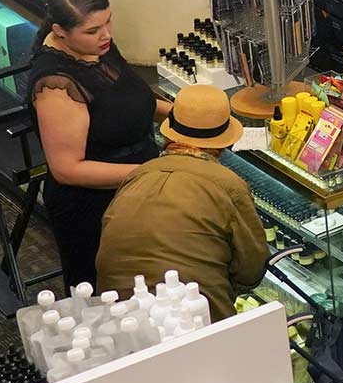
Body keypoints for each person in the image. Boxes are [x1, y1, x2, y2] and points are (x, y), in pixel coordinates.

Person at [27, 0, 161, 290]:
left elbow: (127, 98)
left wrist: (182, 111)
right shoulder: (56, 88)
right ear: (60, 32)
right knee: (110, 293)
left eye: (108, 23)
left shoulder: (96, 49)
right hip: (93, 208)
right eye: (92, 30)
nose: (106, 35)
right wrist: (151, 173)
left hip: (138, 182)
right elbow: (67, 170)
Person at [95, 83, 270, 319]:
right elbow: (251, 271)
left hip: (118, 314)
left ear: (169, 133)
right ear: (223, 144)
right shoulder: (228, 184)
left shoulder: (137, 176)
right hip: (198, 315)